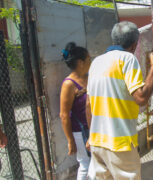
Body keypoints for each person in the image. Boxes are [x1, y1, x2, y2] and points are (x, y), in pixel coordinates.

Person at [86, 21, 153, 179]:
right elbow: (141, 98)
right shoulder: (128, 59)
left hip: (97, 142)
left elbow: (88, 104)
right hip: (119, 144)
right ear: (135, 44)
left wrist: (91, 135)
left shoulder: (96, 62)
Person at [59, 42, 91, 180]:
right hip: (80, 131)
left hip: (93, 127)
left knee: (96, 162)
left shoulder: (88, 78)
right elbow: (64, 115)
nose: (91, 61)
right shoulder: (69, 84)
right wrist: (70, 140)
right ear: (80, 62)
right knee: (85, 163)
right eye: (88, 59)